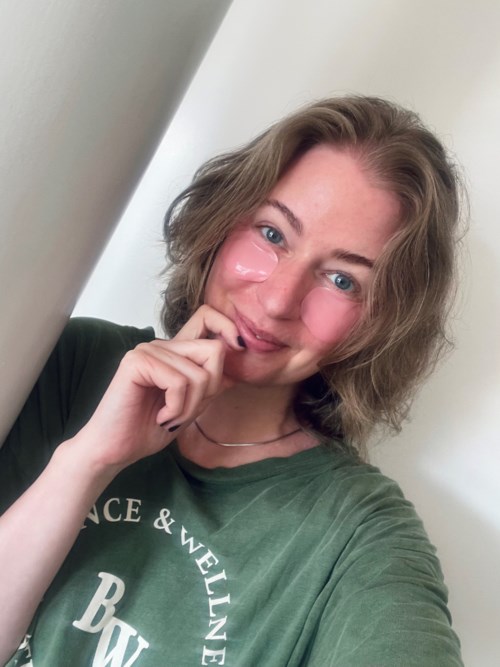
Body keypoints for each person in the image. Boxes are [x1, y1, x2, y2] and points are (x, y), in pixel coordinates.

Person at [0, 96, 464, 666]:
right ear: (222, 221)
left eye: (342, 280)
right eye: (272, 233)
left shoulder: (359, 534)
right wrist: (86, 461)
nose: (277, 300)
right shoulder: (69, 361)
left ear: (381, 321)